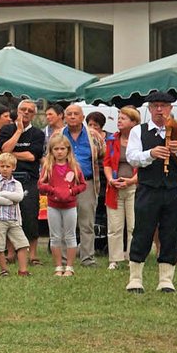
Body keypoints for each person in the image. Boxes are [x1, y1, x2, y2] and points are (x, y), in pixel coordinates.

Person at [124, 91, 177, 294]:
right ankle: (135, 278)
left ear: (170, 109)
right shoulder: (139, 130)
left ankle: (166, 279)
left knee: (170, 232)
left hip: (173, 189)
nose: (159, 110)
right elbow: (132, 157)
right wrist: (151, 153)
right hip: (148, 189)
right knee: (142, 231)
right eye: (155, 106)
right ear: (149, 109)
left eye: (163, 106)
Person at [0, 99, 45, 252]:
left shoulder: (38, 133)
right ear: (17, 111)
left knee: (30, 216)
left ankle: (33, 254)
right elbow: (4, 149)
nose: (26, 112)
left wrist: (10, 153)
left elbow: (31, 156)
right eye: (23, 109)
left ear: (34, 114)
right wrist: (18, 131)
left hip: (29, 179)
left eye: (30, 110)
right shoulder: (6, 130)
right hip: (7, 179)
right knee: (9, 216)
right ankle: (11, 253)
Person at [41, 133, 87, 277]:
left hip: (70, 206)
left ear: (68, 150)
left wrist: (71, 191)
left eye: (62, 148)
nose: (59, 152)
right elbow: (41, 185)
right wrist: (53, 190)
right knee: (55, 236)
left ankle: (70, 266)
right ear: (51, 150)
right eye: (56, 149)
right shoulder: (48, 166)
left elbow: (82, 185)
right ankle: (58, 266)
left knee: (70, 235)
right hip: (53, 205)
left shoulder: (74, 167)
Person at [62, 103, 102, 268]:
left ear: (82, 117)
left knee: (86, 223)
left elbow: (102, 153)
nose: (72, 116)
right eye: (69, 114)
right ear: (64, 117)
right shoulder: (59, 135)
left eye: (75, 114)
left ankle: (87, 258)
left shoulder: (93, 135)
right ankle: (64, 259)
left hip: (86, 182)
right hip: (64, 184)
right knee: (65, 222)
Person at [105, 106, 140, 271]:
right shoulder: (112, 139)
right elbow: (106, 163)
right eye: (118, 118)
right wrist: (111, 179)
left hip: (135, 187)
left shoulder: (140, 140)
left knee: (133, 226)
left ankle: (133, 258)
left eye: (123, 118)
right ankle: (115, 259)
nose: (119, 121)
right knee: (114, 226)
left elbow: (145, 164)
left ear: (133, 122)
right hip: (114, 187)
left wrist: (131, 181)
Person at [0, 153, 32, 277]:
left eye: (8, 166)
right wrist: (10, 201)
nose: (5, 169)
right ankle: (4, 269)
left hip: (13, 219)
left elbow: (19, 196)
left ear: (14, 168)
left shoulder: (17, 184)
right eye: (2, 166)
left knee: (22, 244)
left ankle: (23, 270)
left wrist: (3, 193)